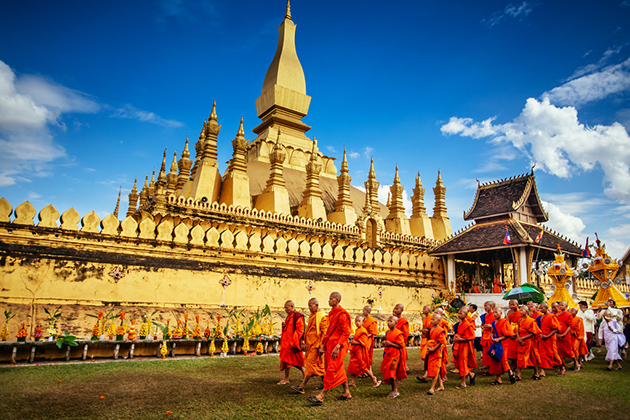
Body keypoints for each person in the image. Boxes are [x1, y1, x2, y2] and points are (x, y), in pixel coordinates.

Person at [308, 292, 352, 405]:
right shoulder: (332, 313)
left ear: (337, 300)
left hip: (339, 345)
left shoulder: (342, 314)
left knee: (332, 369)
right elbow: (329, 330)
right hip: (331, 344)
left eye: (331, 299)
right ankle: (347, 392)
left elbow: (346, 332)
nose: (329, 301)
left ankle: (321, 396)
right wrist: (324, 343)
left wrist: (338, 346)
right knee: (338, 367)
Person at [292, 298, 328, 394]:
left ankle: (302, 386)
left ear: (316, 305)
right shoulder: (312, 315)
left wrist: (321, 346)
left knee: (309, 365)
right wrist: (303, 341)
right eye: (308, 306)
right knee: (319, 366)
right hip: (310, 345)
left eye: (310, 306)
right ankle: (326, 383)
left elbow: (324, 333)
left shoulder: (322, 317)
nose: (309, 308)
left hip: (316, 345)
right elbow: (309, 331)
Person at [348, 315, 381, 388]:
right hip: (355, 351)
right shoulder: (357, 330)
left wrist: (354, 342)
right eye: (356, 321)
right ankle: (352, 382)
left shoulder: (363, 331)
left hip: (360, 351)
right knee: (352, 366)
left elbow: (363, 342)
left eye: (359, 321)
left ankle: (373, 378)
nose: (357, 323)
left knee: (363, 367)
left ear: (362, 322)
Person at [278, 300, 305, 385]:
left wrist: (294, 343)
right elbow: (289, 329)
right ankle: (304, 373)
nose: (285, 309)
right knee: (289, 360)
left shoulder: (298, 316)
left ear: (292, 306)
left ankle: (286, 379)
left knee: (292, 360)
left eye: (287, 307)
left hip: (292, 343)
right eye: (285, 308)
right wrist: (284, 326)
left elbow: (300, 330)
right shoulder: (290, 315)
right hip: (286, 343)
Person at [487, 307, 515, 385]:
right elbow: (492, 332)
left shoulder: (504, 322)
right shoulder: (493, 323)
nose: (495, 314)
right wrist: (492, 337)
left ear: (501, 313)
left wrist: (499, 339)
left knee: (503, 360)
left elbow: (509, 334)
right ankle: (498, 379)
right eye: (494, 313)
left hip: (503, 343)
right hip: (495, 343)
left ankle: (510, 372)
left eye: (497, 312)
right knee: (495, 360)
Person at [381, 315, 407, 398]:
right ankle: (393, 388)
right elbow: (387, 341)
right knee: (387, 370)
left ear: (396, 323)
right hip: (388, 354)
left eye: (391, 321)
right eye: (388, 321)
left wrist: (390, 344)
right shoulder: (387, 332)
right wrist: (385, 342)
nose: (389, 323)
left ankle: (395, 390)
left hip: (395, 355)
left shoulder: (398, 333)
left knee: (392, 371)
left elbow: (400, 346)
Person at [452, 306, 477, 389]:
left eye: (461, 313)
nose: (459, 315)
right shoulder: (459, 323)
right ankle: (471, 374)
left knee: (463, 363)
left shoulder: (467, 325)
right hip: (458, 345)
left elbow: (472, 336)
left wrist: (461, 339)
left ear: (466, 314)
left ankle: (463, 383)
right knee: (459, 363)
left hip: (464, 346)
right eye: (458, 313)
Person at [516, 305, 541, 380]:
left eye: (522, 310)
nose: (520, 311)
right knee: (519, 358)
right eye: (520, 310)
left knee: (532, 358)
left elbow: (533, 333)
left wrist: (522, 338)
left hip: (529, 341)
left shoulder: (531, 321)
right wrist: (519, 338)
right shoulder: (520, 320)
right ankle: (518, 375)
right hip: (521, 341)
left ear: (526, 311)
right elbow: (518, 330)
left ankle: (536, 373)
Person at [536, 302, 561, 378]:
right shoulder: (541, 317)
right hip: (542, 337)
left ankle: (562, 368)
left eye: (542, 308)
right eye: (540, 308)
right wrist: (540, 334)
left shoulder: (551, 316)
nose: (540, 309)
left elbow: (555, 328)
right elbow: (540, 328)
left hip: (550, 338)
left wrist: (548, 336)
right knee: (541, 354)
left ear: (546, 308)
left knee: (554, 354)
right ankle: (542, 371)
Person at [425, 313, 447, 395]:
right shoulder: (431, 329)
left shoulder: (440, 330)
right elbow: (428, 339)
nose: (432, 321)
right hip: (431, 351)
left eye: (434, 319)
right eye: (431, 319)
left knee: (435, 370)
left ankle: (432, 388)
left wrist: (433, 349)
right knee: (435, 369)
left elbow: (441, 342)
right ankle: (441, 385)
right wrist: (428, 347)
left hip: (436, 352)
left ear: (438, 321)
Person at [555, 301, 576, 376]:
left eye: (562, 305)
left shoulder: (568, 314)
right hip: (558, 335)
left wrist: (564, 334)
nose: (560, 306)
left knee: (568, 350)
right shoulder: (557, 315)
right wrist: (557, 333)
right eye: (559, 305)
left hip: (565, 335)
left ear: (566, 306)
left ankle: (576, 362)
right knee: (558, 351)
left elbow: (570, 326)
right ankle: (562, 367)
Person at [361, 305, 379, 379]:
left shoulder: (372, 321)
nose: (362, 312)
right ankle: (365, 372)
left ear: (367, 311)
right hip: (363, 339)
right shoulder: (364, 320)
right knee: (362, 355)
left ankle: (369, 372)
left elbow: (373, 332)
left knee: (366, 355)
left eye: (363, 310)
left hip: (368, 340)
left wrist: (365, 335)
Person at [416, 305, 433, 383]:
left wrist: (425, 330)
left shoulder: (431, 318)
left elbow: (431, 328)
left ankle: (426, 374)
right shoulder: (424, 318)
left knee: (427, 356)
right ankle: (426, 373)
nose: (423, 310)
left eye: (425, 309)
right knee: (424, 356)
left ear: (429, 310)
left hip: (428, 339)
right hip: (424, 338)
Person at [434, 307, 451, 382]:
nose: (434, 314)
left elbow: (445, 335)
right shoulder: (434, 321)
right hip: (434, 343)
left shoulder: (443, 322)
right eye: (434, 312)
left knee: (442, 361)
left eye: (436, 313)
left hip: (441, 344)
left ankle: (444, 376)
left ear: (441, 314)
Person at [505, 299, 521, 371]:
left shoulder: (520, 312)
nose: (511, 306)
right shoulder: (509, 312)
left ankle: (518, 365)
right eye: (510, 304)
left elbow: (522, 323)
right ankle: (513, 363)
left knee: (518, 349)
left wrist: (516, 333)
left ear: (517, 305)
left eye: (513, 304)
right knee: (511, 349)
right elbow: (507, 322)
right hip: (510, 330)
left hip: (518, 330)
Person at [480, 301, 497, 369]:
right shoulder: (484, 315)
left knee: (491, 349)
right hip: (485, 334)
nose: (485, 307)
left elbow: (497, 324)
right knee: (485, 350)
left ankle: (492, 365)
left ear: (492, 306)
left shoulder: (495, 315)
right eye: (484, 306)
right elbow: (482, 323)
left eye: (486, 306)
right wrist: (482, 326)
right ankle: (486, 364)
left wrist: (491, 326)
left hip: (491, 334)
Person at [393, 304, 410, 369]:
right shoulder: (394, 320)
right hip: (393, 340)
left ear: (402, 310)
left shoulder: (403, 321)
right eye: (395, 308)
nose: (395, 310)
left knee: (401, 355)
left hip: (400, 341)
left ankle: (405, 368)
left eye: (397, 309)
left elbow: (405, 334)